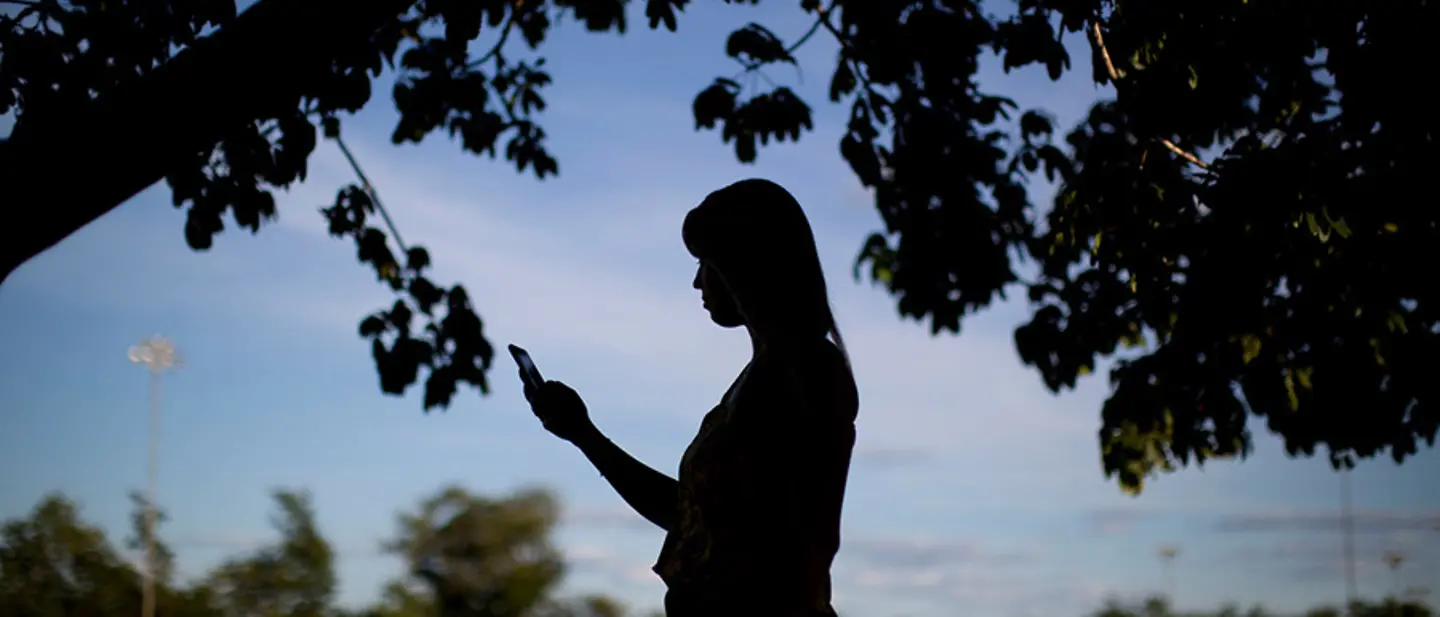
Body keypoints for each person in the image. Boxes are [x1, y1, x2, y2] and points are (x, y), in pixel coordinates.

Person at [521, 179, 860, 617]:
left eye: (707, 263)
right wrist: (583, 433)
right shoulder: (762, 378)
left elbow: (812, 542)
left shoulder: (807, 370)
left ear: (744, 266)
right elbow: (691, 515)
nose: (697, 281)